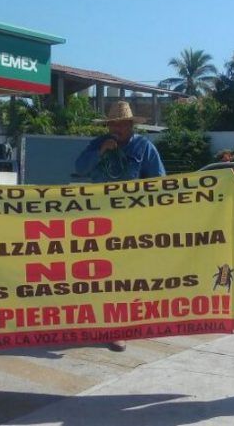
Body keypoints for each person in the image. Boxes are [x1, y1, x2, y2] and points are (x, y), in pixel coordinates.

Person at [75, 100, 165, 352]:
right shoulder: (96, 144)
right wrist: (100, 151)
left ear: (130, 125)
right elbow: (79, 169)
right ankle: (98, 322)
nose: (116, 128)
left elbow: (159, 182)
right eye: (112, 124)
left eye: (121, 124)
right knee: (97, 274)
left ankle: (119, 330)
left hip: (130, 222)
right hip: (96, 220)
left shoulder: (144, 147)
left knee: (123, 277)